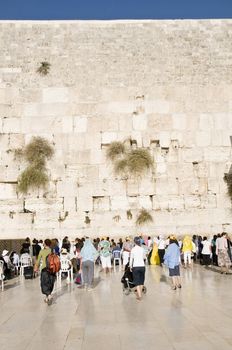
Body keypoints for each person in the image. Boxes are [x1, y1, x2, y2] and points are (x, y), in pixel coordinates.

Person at [34, 239, 55, 305]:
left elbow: (38, 260)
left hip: (45, 269)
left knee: (44, 283)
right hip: (52, 269)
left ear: (45, 244)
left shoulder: (42, 251)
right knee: (50, 283)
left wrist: (35, 267)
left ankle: (48, 295)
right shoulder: (52, 251)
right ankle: (47, 297)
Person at [129, 237, 146, 301]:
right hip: (142, 266)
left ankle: (139, 296)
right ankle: (140, 294)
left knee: (137, 282)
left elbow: (131, 259)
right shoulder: (142, 249)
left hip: (135, 266)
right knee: (141, 281)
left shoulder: (133, 249)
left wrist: (130, 266)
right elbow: (144, 258)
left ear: (134, 242)